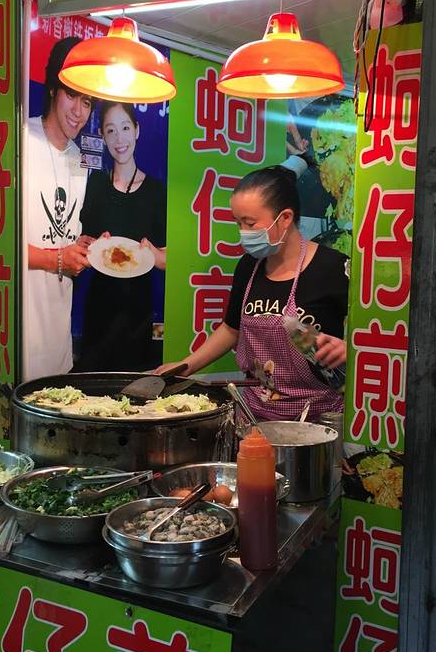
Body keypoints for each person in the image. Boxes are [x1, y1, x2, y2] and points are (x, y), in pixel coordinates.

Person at [157, 165, 348, 422]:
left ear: (285, 218)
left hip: (317, 420)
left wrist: (350, 350)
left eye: (250, 223)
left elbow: (377, 337)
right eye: (238, 223)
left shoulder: (333, 267)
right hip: (255, 416)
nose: (243, 233)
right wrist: (186, 366)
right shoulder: (249, 266)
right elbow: (231, 329)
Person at [75, 102, 167, 372]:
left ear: (137, 130)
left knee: (133, 386)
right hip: (98, 310)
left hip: (138, 313)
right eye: (111, 130)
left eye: (125, 128)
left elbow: (169, 259)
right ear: (102, 135)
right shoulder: (95, 186)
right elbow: (82, 244)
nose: (119, 139)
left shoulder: (156, 191)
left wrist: (155, 255)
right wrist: (91, 246)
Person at [22, 37, 94, 381]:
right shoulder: (19, 140)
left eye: (87, 102)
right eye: (71, 95)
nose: (78, 112)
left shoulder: (80, 160)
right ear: (53, 88)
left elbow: (63, 235)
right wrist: (56, 259)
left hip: (57, 344)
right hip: (18, 342)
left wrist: (83, 248)